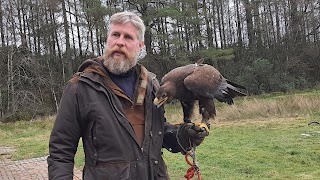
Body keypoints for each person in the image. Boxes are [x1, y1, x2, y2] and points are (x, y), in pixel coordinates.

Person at [47, 11, 209, 180]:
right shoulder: (80, 88)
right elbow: (61, 150)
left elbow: (156, 132)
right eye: (115, 35)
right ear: (107, 39)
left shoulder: (151, 85)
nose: (120, 42)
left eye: (128, 37)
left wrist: (182, 135)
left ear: (140, 45)